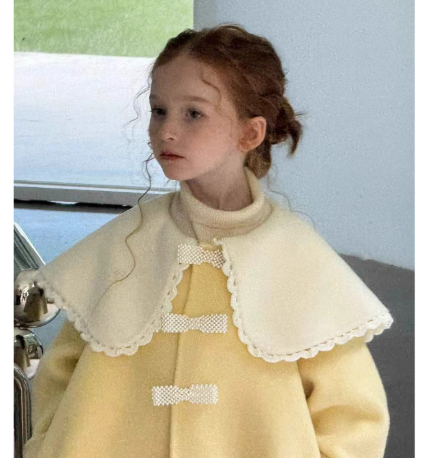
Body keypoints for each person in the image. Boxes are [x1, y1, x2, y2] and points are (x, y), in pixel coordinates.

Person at [21, 24, 394, 458]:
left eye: (193, 114)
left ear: (250, 134)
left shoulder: (300, 261)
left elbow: (352, 418)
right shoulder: (123, 245)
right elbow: (59, 377)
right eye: (159, 110)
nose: (166, 131)